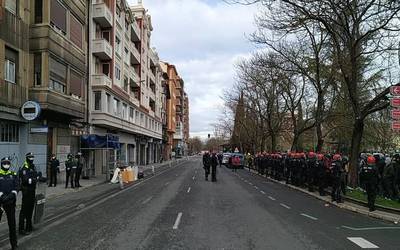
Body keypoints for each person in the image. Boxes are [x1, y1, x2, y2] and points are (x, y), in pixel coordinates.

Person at [0, 157, 18, 249]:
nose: (6, 165)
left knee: (12, 225)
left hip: (10, 203)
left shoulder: (13, 174)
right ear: (1, 164)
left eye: (8, 163)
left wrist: (11, 195)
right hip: (0, 204)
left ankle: (14, 245)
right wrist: (2, 196)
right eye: (4, 163)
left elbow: (16, 187)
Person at [18, 152, 39, 235]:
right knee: (24, 210)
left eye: (32, 157)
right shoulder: (24, 168)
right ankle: (21, 228)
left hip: (32, 191)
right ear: (27, 158)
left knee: (30, 209)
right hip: (26, 192)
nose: (31, 159)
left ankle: (29, 226)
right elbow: (26, 180)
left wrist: (39, 177)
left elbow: (35, 175)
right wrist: (35, 179)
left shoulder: (32, 166)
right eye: (30, 157)